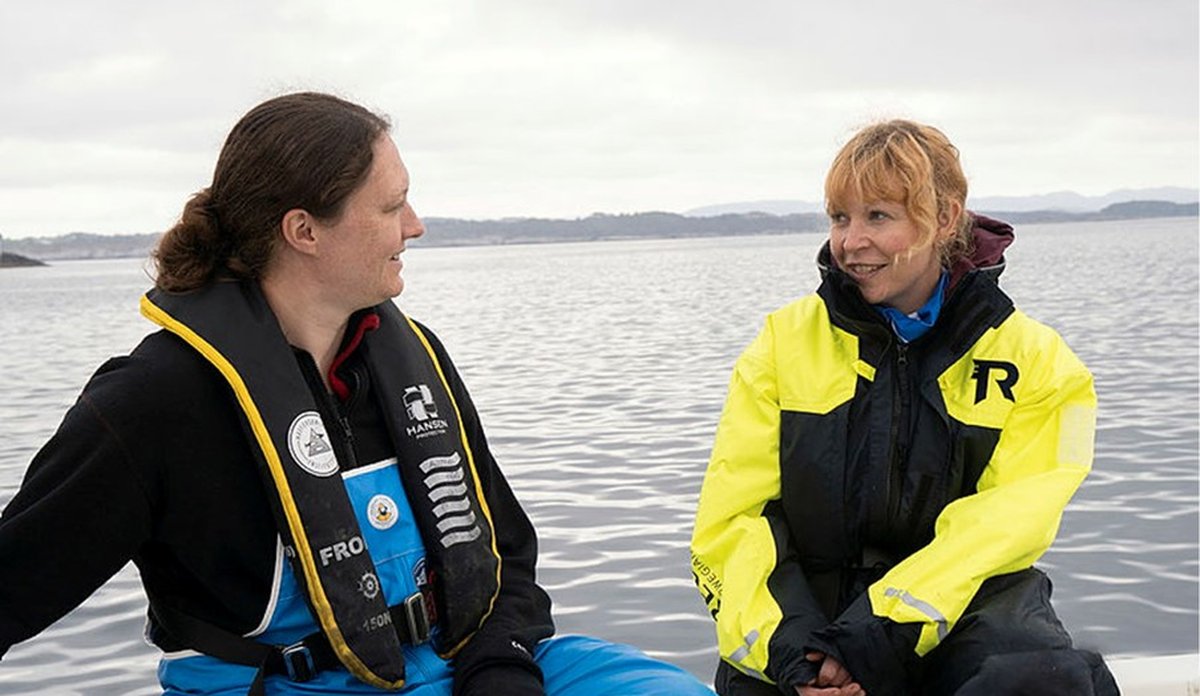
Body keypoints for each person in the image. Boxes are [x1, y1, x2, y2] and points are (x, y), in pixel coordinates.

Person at [0, 91, 715, 696]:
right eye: (392, 206)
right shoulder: (155, 403)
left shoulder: (415, 360)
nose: (416, 225)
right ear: (304, 230)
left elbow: (506, 551)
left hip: (464, 662)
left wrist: (500, 662)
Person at [689, 120, 1120, 696]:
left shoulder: (1038, 362)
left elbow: (1005, 526)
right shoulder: (781, 343)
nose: (851, 241)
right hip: (805, 628)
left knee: (1042, 679)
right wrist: (797, 652)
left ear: (945, 218)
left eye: (878, 217)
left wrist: (878, 634)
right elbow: (732, 522)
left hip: (962, 615)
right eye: (841, 218)